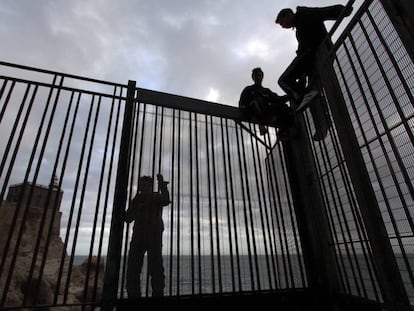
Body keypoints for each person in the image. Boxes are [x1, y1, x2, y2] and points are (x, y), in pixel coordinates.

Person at [276, 4, 353, 112]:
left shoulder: (304, 14)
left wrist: (341, 10)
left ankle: (305, 96)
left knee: (283, 80)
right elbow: (302, 44)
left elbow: (322, 12)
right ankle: (316, 103)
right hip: (312, 58)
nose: (283, 26)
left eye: (282, 23)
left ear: (288, 15)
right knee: (313, 85)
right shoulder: (299, 27)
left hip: (313, 53)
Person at [125, 174, 170, 298]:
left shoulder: (155, 197)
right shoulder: (137, 199)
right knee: (133, 269)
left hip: (154, 236)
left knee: (155, 268)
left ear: (151, 187)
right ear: (139, 187)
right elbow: (128, 218)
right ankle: (134, 296)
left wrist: (162, 186)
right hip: (138, 236)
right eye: (142, 185)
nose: (144, 188)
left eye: (147, 185)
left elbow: (165, 200)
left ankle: (157, 295)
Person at [239, 67, 292, 138]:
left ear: (262, 77)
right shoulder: (248, 89)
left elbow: (277, 99)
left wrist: (290, 95)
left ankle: (283, 131)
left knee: (284, 106)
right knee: (257, 100)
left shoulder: (266, 91)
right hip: (252, 111)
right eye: (256, 76)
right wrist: (247, 111)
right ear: (253, 78)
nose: (258, 77)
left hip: (266, 111)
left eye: (259, 75)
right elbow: (242, 104)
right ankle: (261, 126)